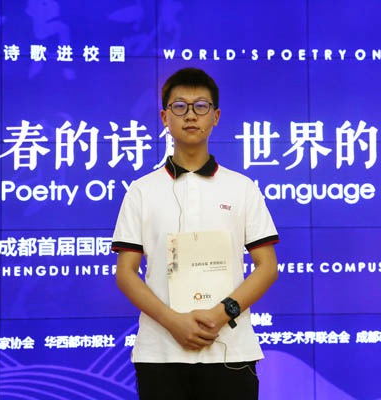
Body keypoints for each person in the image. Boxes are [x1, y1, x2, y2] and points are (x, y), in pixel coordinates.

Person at [111, 67, 279, 400]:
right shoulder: (142, 191)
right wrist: (174, 322)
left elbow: (267, 266)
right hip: (160, 352)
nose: (190, 115)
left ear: (216, 116)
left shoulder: (242, 188)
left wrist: (221, 314)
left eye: (201, 106)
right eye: (179, 106)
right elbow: (126, 273)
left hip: (230, 349)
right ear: (164, 117)